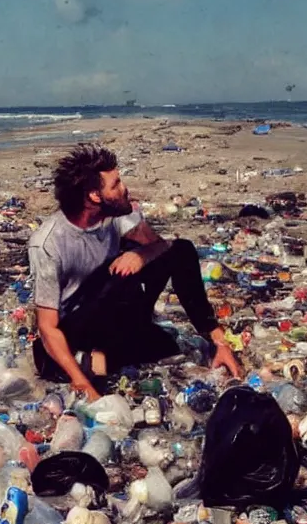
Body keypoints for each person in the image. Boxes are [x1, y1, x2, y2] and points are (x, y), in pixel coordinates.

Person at [28, 143, 242, 402]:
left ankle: (110, 355)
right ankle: (88, 360)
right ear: (95, 196)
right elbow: (48, 327)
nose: (124, 188)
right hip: (77, 325)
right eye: (116, 184)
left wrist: (141, 255)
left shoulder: (116, 215)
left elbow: (162, 247)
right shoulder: (49, 243)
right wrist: (85, 388)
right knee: (120, 276)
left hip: (115, 312)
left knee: (181, 251)